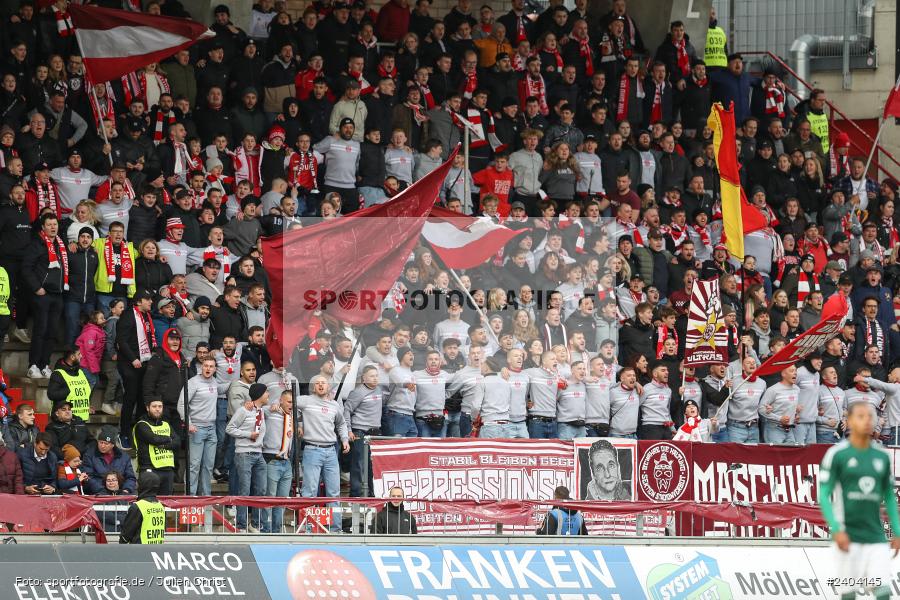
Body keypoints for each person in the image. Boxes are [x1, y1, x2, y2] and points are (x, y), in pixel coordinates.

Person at [819, 401, 900, 600]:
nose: (866, 421)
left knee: (882, 592)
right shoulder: (837, 454)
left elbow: (888, 495)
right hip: (847, 535)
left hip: (876, 537)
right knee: (849, 595)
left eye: (870, 416)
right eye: (860, 416)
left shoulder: (881, 456)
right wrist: (836, 530)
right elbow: (823, 494)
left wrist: (897, 531)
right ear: (850, 421)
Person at [297, 375, 349, 533]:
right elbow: (286, 403)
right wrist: (299, 423)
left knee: (334, 492)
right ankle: (308, 528)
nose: (320, 386)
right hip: (312, 449)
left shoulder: (334, 405)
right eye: (317, 383)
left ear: (328, 387)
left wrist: (345, 439)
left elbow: (341, 423)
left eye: (323, 383)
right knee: (309, 491)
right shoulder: (305, 400)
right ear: (313, 387)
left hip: (331, 451)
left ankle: (336, 530)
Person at [226, 381, 269, 533]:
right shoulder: (243, 410)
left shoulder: (262, 410)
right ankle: (241, 525)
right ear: (259, 394)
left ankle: (255, 524)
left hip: (259, 454)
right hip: (244, 453)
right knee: (244, 490)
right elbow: (229, 428)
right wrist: (247, 434)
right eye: (266, 392)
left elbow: (276, 408)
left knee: (261, 490)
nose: (268, 395)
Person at [182, 356, 219, 496]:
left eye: (211, 366)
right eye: (205, 365)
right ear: (201, 367)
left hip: (212, 428)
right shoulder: (193, 382)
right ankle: (190, 497)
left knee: (208, 466)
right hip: (197, 427)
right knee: (194, 465)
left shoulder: (215, 382)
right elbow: (182, 403)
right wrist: (189, 423)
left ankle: (206, 497)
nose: (208, 368)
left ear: (215, 369)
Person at [133, 398, 178, 495]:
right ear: (147, 408)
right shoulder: (142, 425)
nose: (157, 409)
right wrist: (169, 439)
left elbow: (177, 442)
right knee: (147, 501)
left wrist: (164, 446)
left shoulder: (166, 424)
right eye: (154, 406)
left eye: (160, 406)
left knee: (165, 504)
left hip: (167, 469)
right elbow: (154, 439)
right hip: (149, 468)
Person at [119, 471, 166, 544]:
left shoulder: (138, 506)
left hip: (140, 551)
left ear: (143, 485)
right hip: (156, 550)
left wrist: (122, 542)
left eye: (139, 482)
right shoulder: (160, 506)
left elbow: (126, 534)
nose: (136, 485)